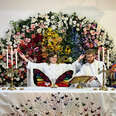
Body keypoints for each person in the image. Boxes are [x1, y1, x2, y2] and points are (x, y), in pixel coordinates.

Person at [19, 52, 84, 87]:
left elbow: (72, 66)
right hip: (46, 86)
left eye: (55, 57)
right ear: (49, 58)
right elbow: (32, 65)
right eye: (52, 57)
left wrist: (79, 59)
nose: (54, 59)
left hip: (59, 87)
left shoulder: (61, 65)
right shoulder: (44, 65)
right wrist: (24, 58)